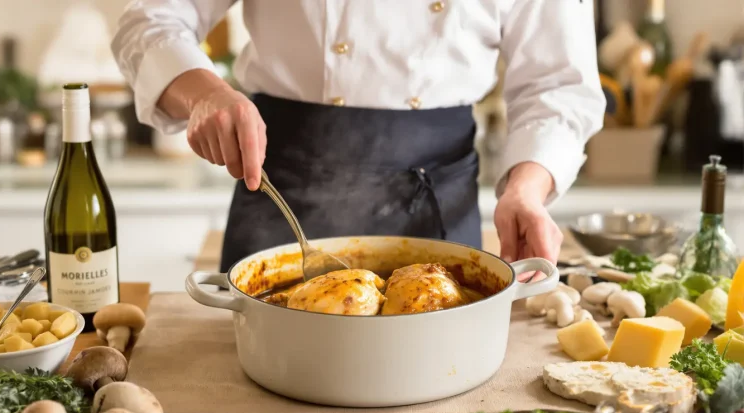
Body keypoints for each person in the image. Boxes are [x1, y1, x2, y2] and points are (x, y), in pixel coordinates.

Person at [111, 1, 605, 272]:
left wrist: (526, 189)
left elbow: (558, 83)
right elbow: (149, 17)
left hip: (439, 201)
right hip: (284, 192)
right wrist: (204, 94)